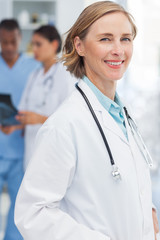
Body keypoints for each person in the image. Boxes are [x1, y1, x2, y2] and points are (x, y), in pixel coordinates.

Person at [14, 1, 159, 240]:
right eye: (105, 39)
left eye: (125, 38)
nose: (118, 50)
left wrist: (149, 211)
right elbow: (32, 213)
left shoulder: (122, 114)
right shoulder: (64, 125)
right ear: (79, 45)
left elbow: (121, 186)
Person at [6, 25, 76, 170]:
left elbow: (71, 121)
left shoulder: (66, 75)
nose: (34, 49)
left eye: (39, 44)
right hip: (31, 151)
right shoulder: (34, 76)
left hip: (54, 153)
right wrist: (13, 125)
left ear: (54, 44)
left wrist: (39, 119)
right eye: (33, 45)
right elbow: (25, 114)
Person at [0, 19, 39, 240]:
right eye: (4, 42)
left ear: (19, 39)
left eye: (12, 41)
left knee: (19, 211)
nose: (8, 47)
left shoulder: (33, 68)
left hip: (21, 150)